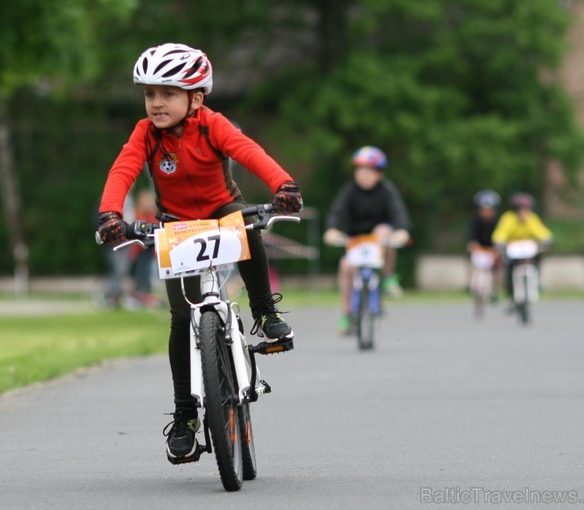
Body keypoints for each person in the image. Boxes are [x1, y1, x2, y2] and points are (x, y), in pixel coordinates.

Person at [95, 43, 303, 462]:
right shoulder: (145, 134)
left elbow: (249, 152)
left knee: (244, 222)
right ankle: (186, 414)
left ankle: (264, 310)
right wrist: (110, 214)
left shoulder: (213, 125)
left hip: (220, 208)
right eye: (150, 94)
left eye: (168, 94)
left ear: (196, 98)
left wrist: (283, 185)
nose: (156, 103)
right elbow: (124, 168)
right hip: (175, 224)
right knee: (179, 317)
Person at [323, 146, 411, 334]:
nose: (364, 176)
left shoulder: (387, 191)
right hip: (355, 241)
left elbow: (399, 215)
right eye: (360, 171)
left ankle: (387, 278)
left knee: (385, 231)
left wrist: (401, 232)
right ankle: (347, 312)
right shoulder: (350, 191)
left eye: (369, 172)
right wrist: (332, 231)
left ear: (380, 174)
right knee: (346, 266)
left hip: (379, 242)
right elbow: (337, 214)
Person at [491, 192, 553, 304]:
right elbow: (501, 233)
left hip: (527, 249)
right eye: (520, 209)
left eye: (526, 209)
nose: (523, 212)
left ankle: (537, 280)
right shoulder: (508, 218)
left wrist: (547, 238)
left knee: (538, 256)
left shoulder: (532, 218)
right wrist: (499, 242)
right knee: (508, 265)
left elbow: (540, 231)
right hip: (513, 249)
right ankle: (510, 290)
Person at [467, 189, 502, 300]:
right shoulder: (475, 222)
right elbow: (472, 239)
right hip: (480, 249)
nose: (487, 212)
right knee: (472, 262)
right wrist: (474, 247)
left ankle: (495, 289)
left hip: (494, 249)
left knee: (497, 266)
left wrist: (497, 250)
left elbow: (501, 238)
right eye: (484, 210)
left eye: (489, 210)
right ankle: (472, 285)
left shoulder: (498, 222)